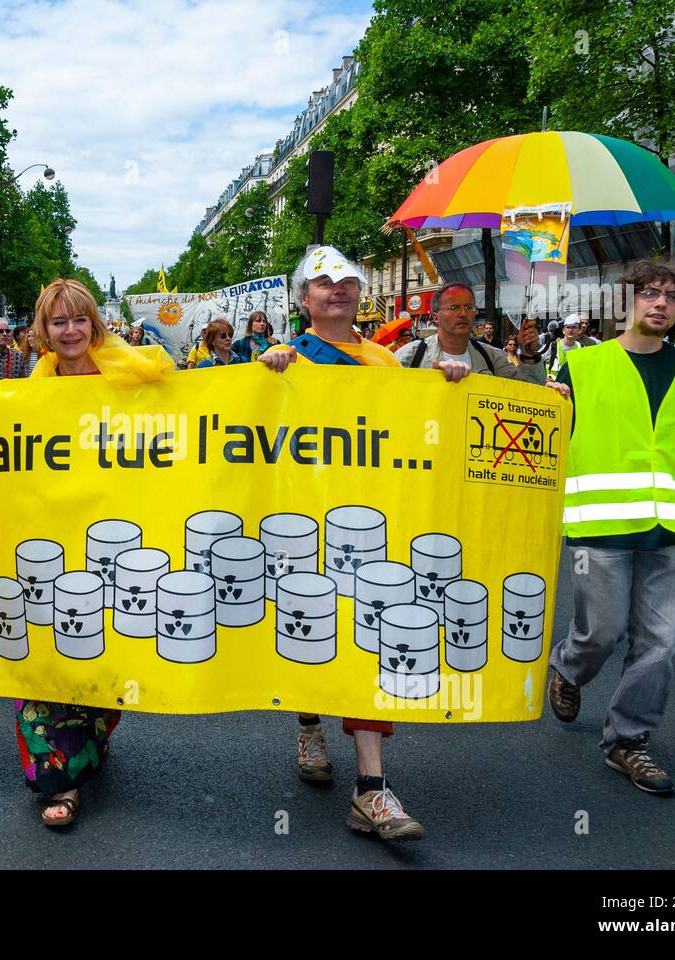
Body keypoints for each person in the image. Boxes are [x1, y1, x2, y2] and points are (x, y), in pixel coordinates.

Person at [257, 246, 428, 841]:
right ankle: (308, 723)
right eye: (325, 284)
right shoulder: (282, 357)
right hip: (303, 514)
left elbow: (412, 423)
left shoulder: (385, 360)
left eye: (349, 282)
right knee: (309, 623)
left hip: (370, 516)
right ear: (304, 299)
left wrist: (450, 381)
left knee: (369, 634)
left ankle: (371, 789)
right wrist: (269, 366)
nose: (339, 291)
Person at [546, 262, 675, 795]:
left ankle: (629, 740)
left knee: (659, 644)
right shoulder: (583, 366)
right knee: (600, 632)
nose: (660, 303)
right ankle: (571, 669)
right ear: (628, 300)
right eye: (649, 292)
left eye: (671, 296)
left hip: (673, 528)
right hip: (602, 526)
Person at [19, 278, 173, 828]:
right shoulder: (32, 387)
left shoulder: (127, 375)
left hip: (116, 538)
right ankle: (61, 781)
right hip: (53, 538)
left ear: (95, 324)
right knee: (49, 655)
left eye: (79, 320)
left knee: (103, 651)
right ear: (43, 330)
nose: (69, 331)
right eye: (58, 322)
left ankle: (89, 744)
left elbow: (184, 400)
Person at [394, 283, 547, 384]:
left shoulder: (493, 358)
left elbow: (530, 392)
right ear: (435, 317)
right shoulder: (410, 355)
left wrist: (528, 354)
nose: (463, 313)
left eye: (468, 307)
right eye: (454, 308)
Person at [545, 314, 594, 380]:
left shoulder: (582, 348)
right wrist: (544, 377)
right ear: (563, 330)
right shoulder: (553, 346)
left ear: (579, 330)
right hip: (552, 388)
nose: (570, 330)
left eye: (574, 327)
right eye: (568, 327)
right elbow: (537, 362)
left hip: (571, 388)